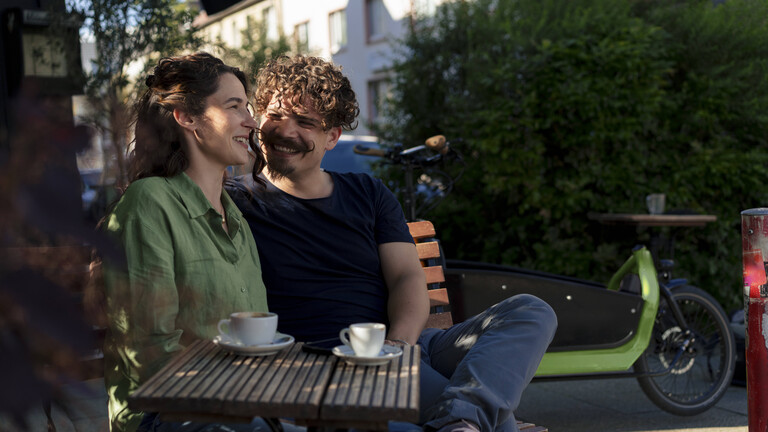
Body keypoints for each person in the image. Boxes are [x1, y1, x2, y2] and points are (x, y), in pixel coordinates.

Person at [227, 55, 558, 432]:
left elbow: (406, 277)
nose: (285, 130)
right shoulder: (235, 201)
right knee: (498, 422)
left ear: (332, 136)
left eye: (304, 122)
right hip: (335, 361)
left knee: (530, 311)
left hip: (407, 347)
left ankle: (463, 416)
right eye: (275, 115)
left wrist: (398, 347)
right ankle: (465, 416)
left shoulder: (367, 193)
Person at [101, 52, 270, 432]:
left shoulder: (237, 219)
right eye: (234, 106)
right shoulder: (149, 203)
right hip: (166, 412)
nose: (251, 120)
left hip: (244, 403)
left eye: (247, 107)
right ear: (187, 117)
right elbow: (150, 354)